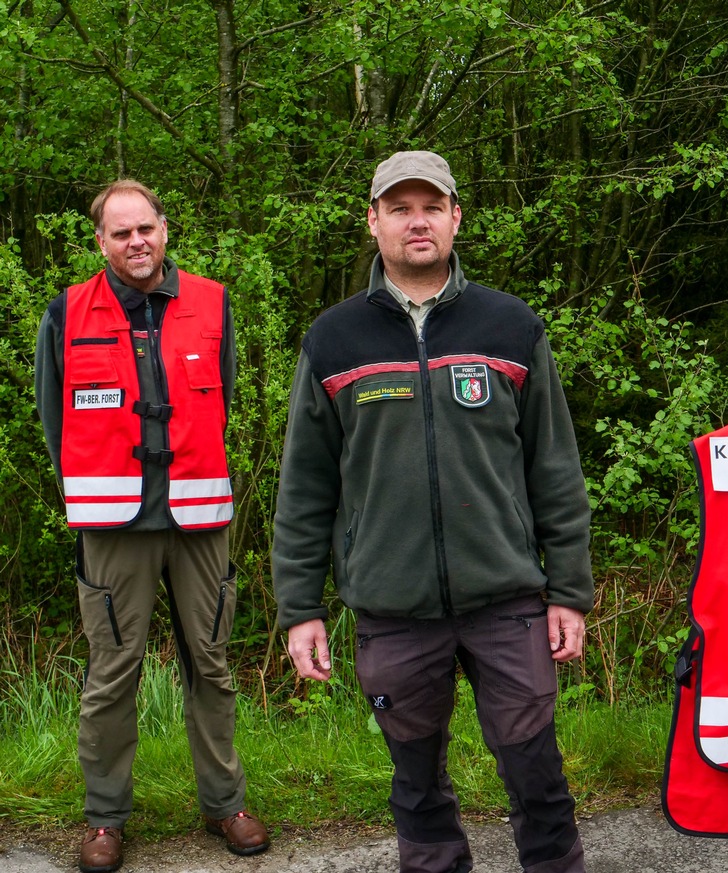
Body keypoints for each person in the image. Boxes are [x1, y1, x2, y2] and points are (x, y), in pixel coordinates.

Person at [271, 150, 593, 873]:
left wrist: (569, 588)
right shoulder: (333, 339)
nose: (416, 221)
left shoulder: (511, 327)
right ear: (374, 221)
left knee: (535, 769)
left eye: (430, 206)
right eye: (399, 208)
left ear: (454, 217)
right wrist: (301, 607)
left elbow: (555, 469)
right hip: (392, 606)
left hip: (507, 600)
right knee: (415, 783)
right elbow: (305, 488)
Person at [34, 180, 269, 873]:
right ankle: (105, 819)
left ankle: (226, 803)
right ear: (100, 242)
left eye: (147, 228)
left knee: (213, 665)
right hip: (112, 526)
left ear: (165, 229)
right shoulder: (66, 312)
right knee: (112, 672)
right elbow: (55, 421)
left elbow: (223, 398)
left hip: (199, 519)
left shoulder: (213, 303)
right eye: (121, 232)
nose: (137, 241)